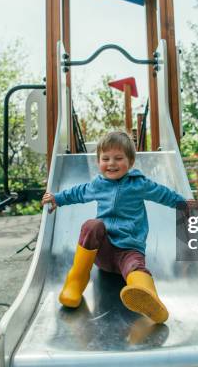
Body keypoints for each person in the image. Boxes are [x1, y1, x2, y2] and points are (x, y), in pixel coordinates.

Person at [41, 131, 187, 324]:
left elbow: (163, 194)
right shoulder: (98, 185)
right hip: (102, 251)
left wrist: (184, 204)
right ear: (98, 162)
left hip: (128, 251)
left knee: (136, 268)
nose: (111, 163)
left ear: (131, 161)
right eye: (105, 158)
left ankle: (148, 296)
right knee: (92, 225)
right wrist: (57, 199)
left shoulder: (139, 184)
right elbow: (78, 193)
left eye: (119, 158)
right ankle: (76, 280)